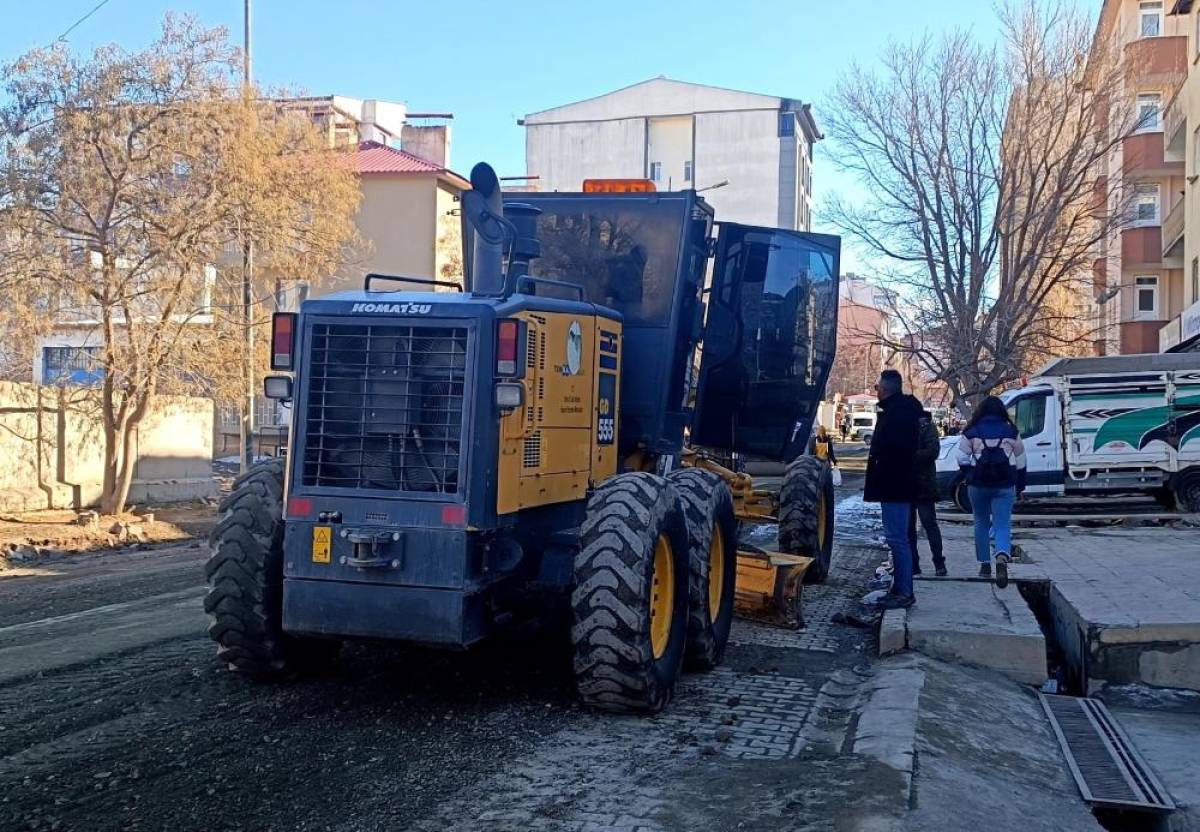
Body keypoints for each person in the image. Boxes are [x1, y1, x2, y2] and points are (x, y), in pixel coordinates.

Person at [863, 369, 923, 609]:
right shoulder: (902, 411)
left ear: (885, 389)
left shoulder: (897, 414)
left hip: (894, 485)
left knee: (897, 539)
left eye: (877, 388)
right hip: (899, 484)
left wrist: (880, 468)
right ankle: (900, 587)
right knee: (899, 538)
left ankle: (904, 591)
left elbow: (893, 451)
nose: (876, 392)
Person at [955, 396, 1027, 588]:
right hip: (1004, 485)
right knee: (1002, 523)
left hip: (978, 485)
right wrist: (1020, 487)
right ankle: (1002, 554)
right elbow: (1021, 461)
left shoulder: (972, 431)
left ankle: (984, 564)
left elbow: (961, 457)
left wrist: (969, 474)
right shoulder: (1010, 431)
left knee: (981, 522)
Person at [908, 410, 946, 577]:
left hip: (921, 484)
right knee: (912, 528)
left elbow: (933, 452)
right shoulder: (923, 427)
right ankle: (915, 564)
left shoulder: (926, 428)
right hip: (913, 484)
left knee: (928, 524)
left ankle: (938, 563)